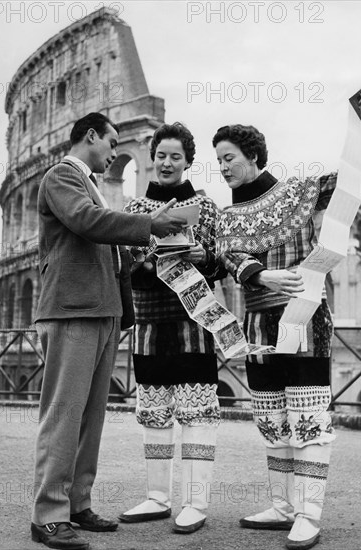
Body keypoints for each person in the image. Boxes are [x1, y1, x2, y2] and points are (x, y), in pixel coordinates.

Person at [213, 89, 361, 550]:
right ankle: (283, 506)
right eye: (218, 160)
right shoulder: (228, 213)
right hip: (257, 327)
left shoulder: (299, 189)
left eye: (229, 157)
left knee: (308, 416)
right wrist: (262, 274)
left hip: (306, 318)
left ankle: (309, 514)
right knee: (272, 419)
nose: (222, 167)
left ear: (252, 155)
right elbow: (227, 256)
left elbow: (356, 182)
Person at [31, 112, 185, 550]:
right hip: (72, 310)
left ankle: (76, 504)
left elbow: (105, 246)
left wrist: (141, 257)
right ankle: (48, 514)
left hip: (100, 310)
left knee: (90, 416)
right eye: (112, 142)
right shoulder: (62, 176)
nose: (116, 152)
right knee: (64, 414)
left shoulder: (91, 184)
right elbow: (87, 222)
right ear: (91, 136)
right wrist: (148, 226)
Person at [118, 122, 221, 534]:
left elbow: (219, 263)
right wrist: (148, 261)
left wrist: (201, 254)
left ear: (188, 162)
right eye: (161, 155)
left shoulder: (206, 206)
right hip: (148, 324)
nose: (166, 163)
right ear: (151, 159)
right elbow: (125, 267)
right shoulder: (135, 210)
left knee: (196, 413)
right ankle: (158, 498)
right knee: (154, 412)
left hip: (193, 322)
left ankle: (195, 502)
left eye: (175, 156)